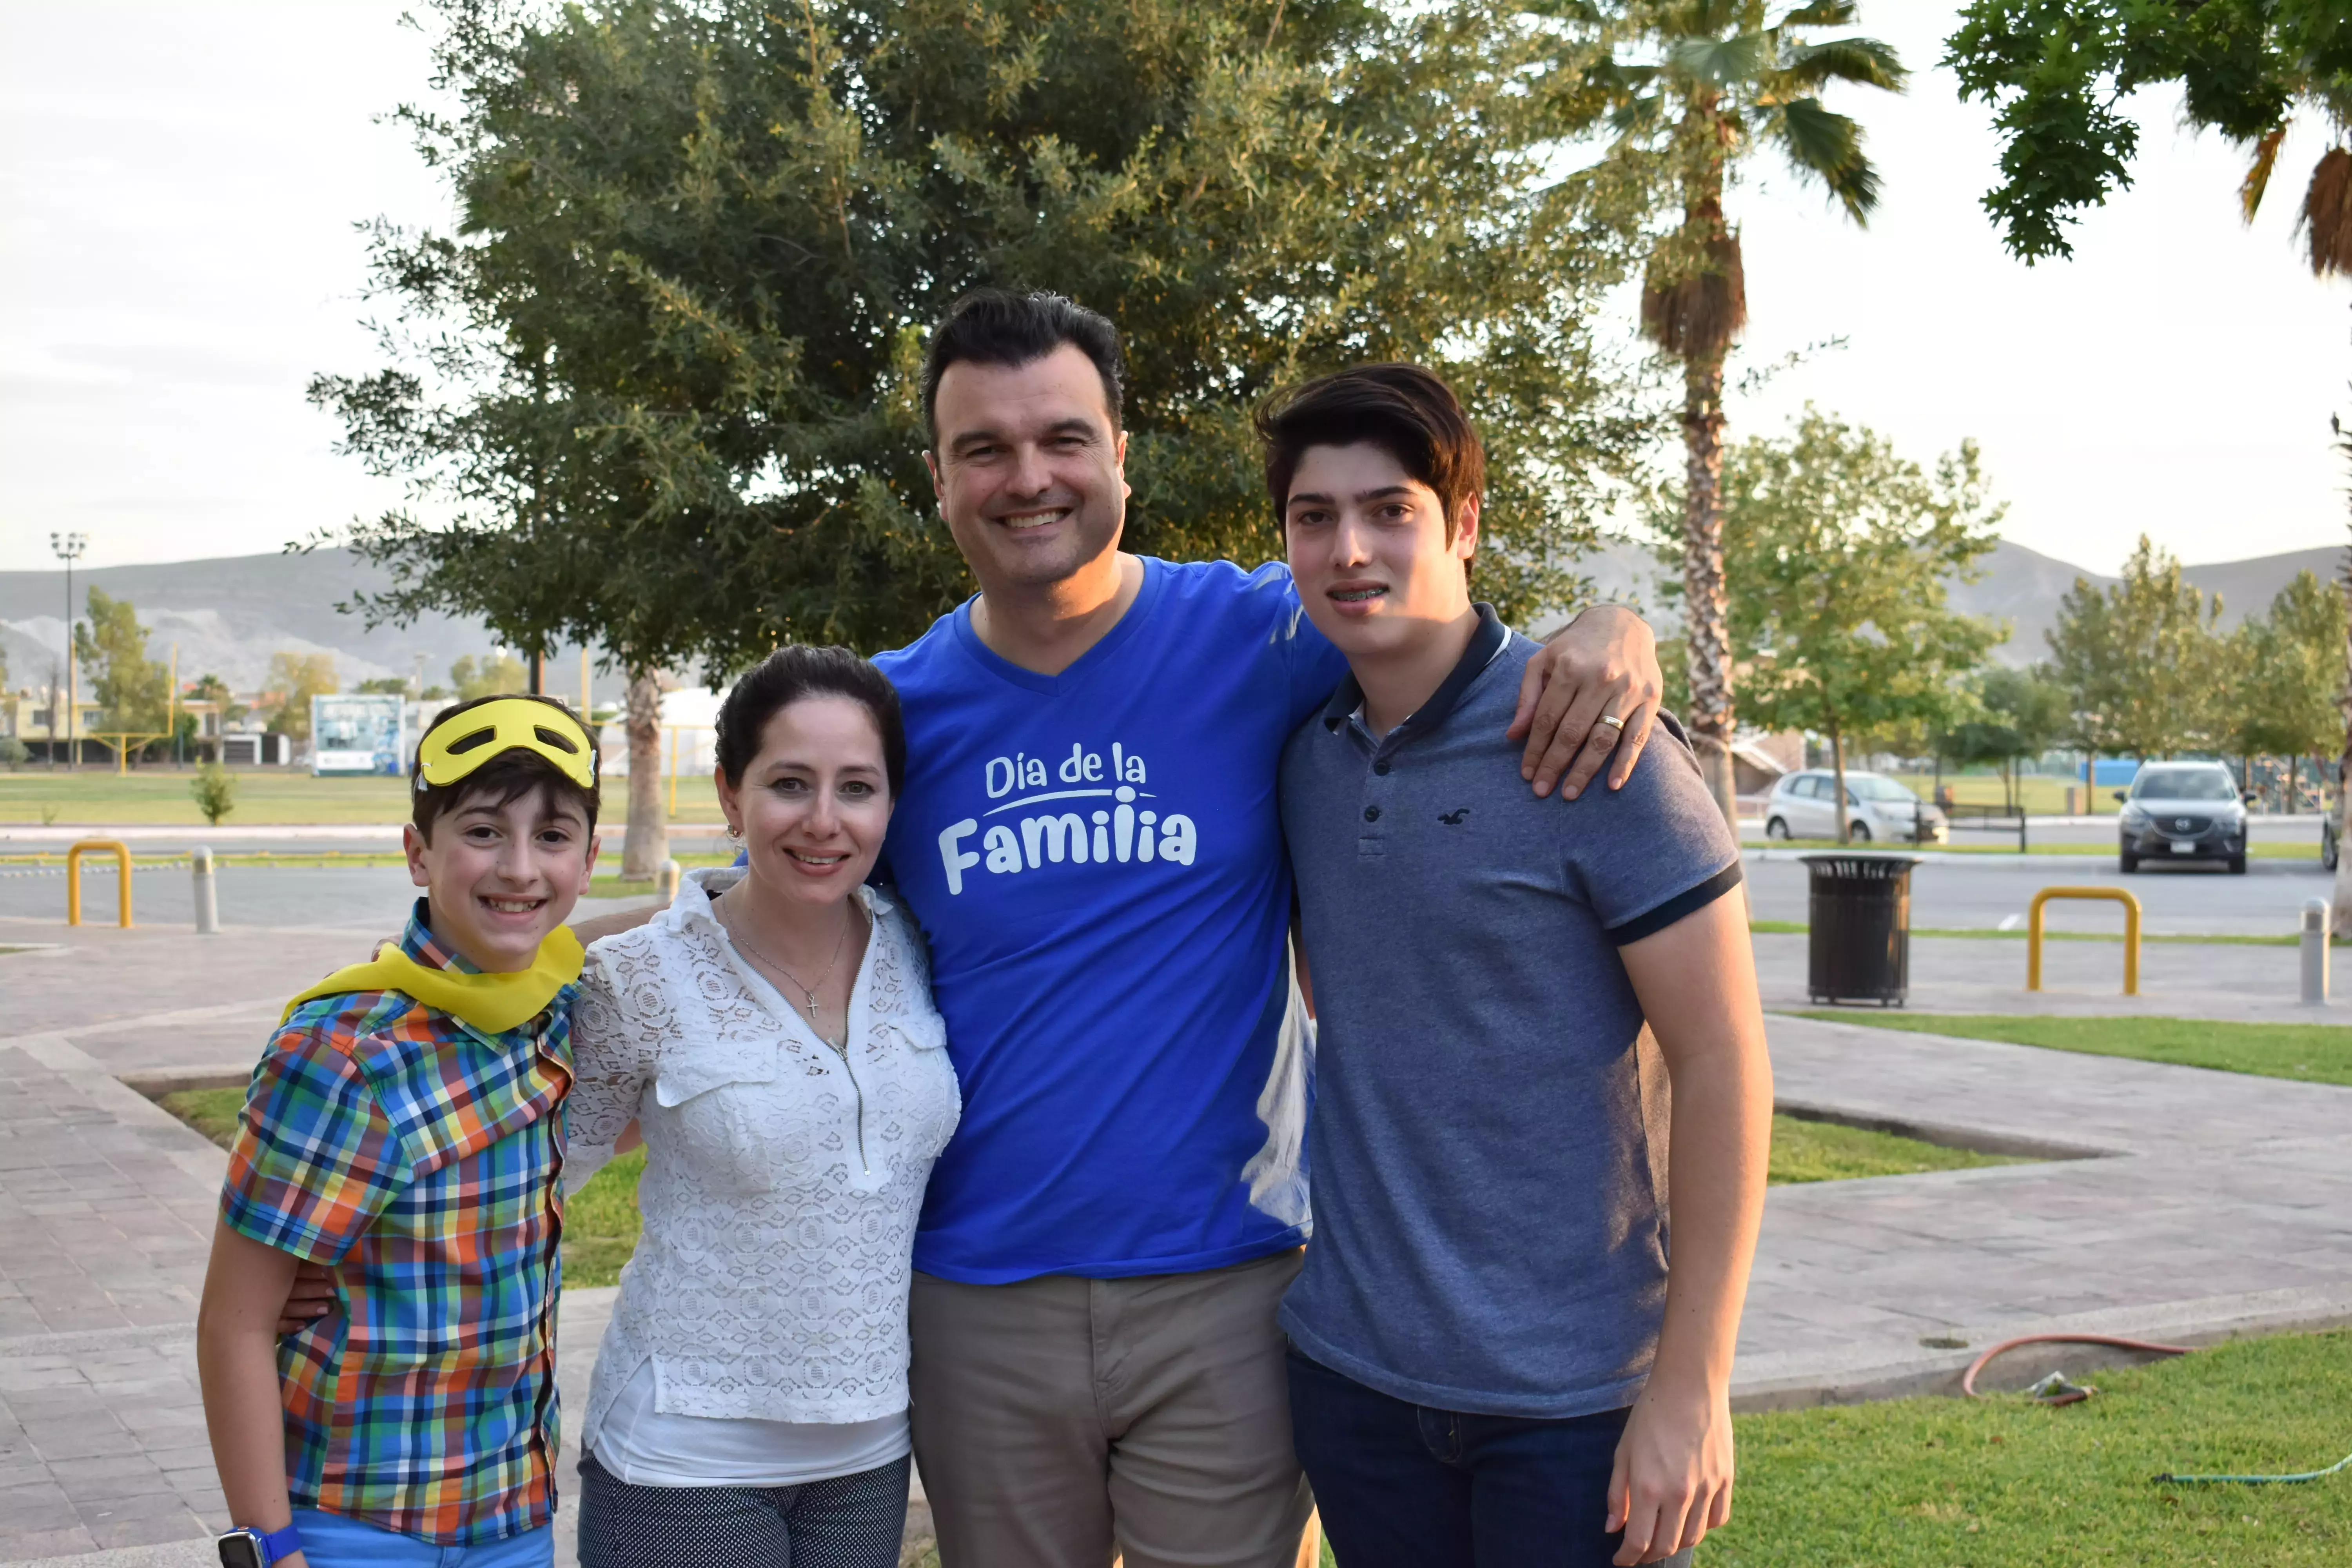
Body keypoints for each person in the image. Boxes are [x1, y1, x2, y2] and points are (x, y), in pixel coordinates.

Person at [566, 289, 1670, 1568]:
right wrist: (508, 959)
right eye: (985, 448)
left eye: (1063, 439)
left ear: (1121, 458)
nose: (1027, 477)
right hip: (980, 1304)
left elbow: (1437, 625)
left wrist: (1612, 626)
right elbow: (765, 898)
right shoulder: (899, 719)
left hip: (1232, 1290)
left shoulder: (1263, 635)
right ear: (938, 478)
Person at [1265, 364, 1772, 1568]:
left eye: (1391, 509)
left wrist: (1693, 1386)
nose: (1351, 549)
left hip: (1580, 1400)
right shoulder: (1302, 763)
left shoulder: (1601, 747)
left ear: (1467, 525)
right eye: (1314, 517)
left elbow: (1725, 1060)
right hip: (1357, 1381)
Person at [561, 646, 961, 1568]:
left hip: (869, 1451)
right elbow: (535, 1183)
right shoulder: (638, 976)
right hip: (684, 1450)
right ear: (730, 795)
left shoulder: (922, 949)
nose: (824, 821)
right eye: (790, 783)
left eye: (856, 787)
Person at [196, 694, 603, 1568]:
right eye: (485, 832)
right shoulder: (340, 1047)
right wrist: (268, 1550)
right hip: (353, 1527)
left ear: (590, 857)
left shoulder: (554, 1010)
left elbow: (655, 940)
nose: (522, 868)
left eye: (554, 836)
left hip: (512, 1521)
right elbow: (234, 1320)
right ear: (419, 851)